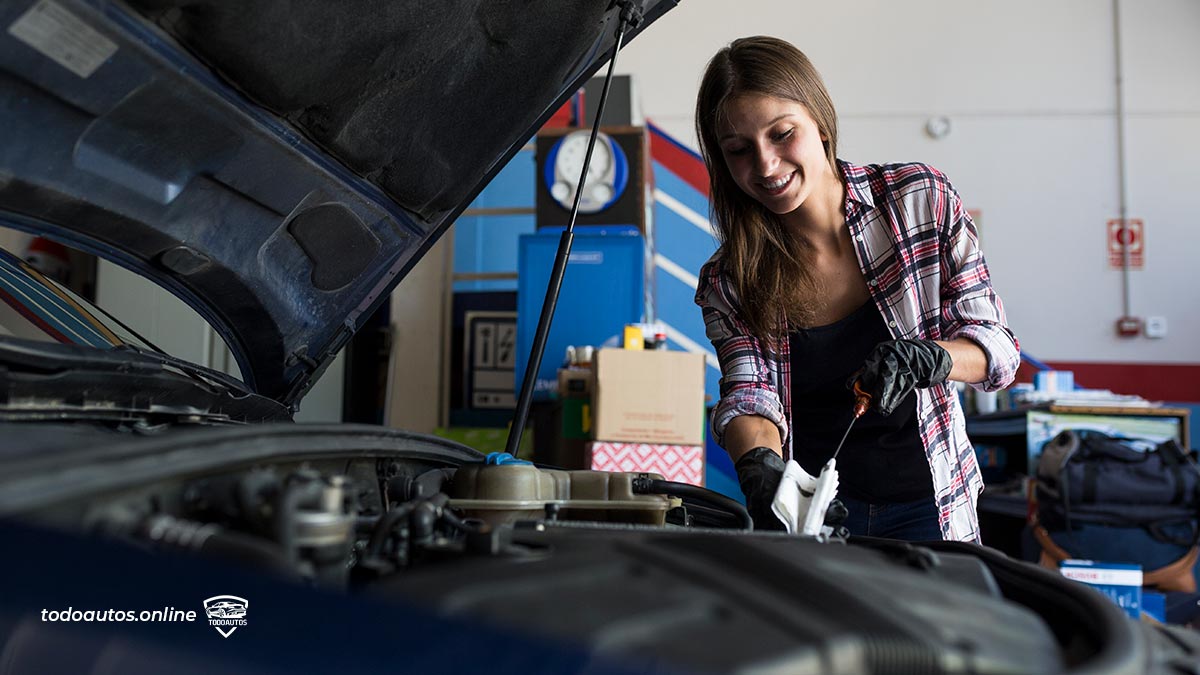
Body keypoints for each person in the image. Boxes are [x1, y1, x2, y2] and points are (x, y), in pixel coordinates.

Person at [692, 36, 1019, 542]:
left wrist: (929, 358)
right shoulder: (730, 278)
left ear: (819, 123)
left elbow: (996, 347)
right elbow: (750, 393)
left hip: (932, 506)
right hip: (813, 520)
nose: (766, 165)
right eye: (739, 150)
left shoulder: (918, 202)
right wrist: (757, 461)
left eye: (782, 134)